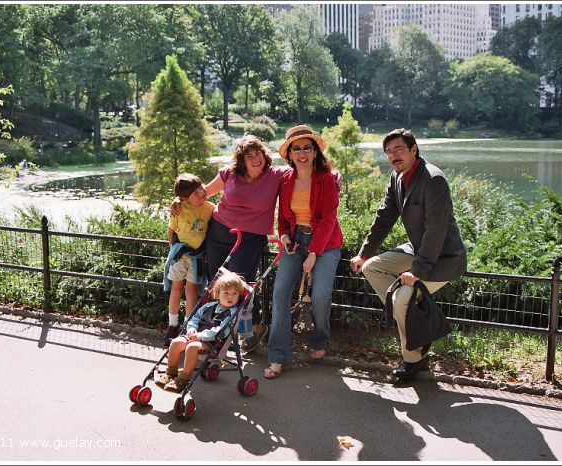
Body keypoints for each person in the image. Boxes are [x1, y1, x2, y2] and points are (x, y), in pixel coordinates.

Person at [349, 128, 467, 381]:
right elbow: (384, 218)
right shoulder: (397, 177)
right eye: (388, 152)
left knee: (403, 298)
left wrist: (416, 272)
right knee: (372, 267)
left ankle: (414, 359)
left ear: (414, 149)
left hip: (444, 257)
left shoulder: (434, 179)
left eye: (399, 149)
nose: (393, 156)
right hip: (418, 249)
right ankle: (416, 320)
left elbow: (436, 231)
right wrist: (363, 254)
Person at [171, 135, 288, 353]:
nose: (255, 160)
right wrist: (180, 200)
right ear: (241, 161)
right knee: (217, 286)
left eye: (258, 154)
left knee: (241, 286)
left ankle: (251, 329)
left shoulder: (276, 175)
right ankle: (212, 335)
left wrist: (332, 177)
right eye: (249, 156)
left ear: (265, 155)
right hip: (219, 232)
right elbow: (201, 193)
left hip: (250, 237)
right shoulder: (230, 174)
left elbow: (303, 177)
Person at [264, 125, 343, 379]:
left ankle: (319, 338)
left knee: (320, 296)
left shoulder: (327, 178)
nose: (302, 153)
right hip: (295, 241)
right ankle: (278, 357)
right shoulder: (285, 180)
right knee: (280, 294)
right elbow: (283, 216)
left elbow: (329, 218)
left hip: (326, 242)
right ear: (289, 153)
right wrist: (284, 236)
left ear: (314, 150)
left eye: (306, 148)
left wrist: (314, 253)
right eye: (296, 149)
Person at [156, 271, 246, 393]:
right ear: (217, 294)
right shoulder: (208, 306)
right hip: (194, 335)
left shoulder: (231, 314)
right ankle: (171, 373)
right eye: (226, 293)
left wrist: (198, 336)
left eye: (234, 293)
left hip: (210, 343)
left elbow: (219, 331)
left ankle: (183, 380)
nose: (230, 296)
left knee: (192, 347)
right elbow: (195, 319)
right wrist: (192, 328)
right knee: (176, 342)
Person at [164, 173, 215, 341]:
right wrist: (174, 252)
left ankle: (188, 326)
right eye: (195, 193)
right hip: (180, 255)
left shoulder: (209, 208)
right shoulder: (179, 209)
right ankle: (172, 324)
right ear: (185, 199)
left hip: (197, 257)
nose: (201, 193)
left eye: (201, 187)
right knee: (176, 289)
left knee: (192, 290)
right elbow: (171, 233)